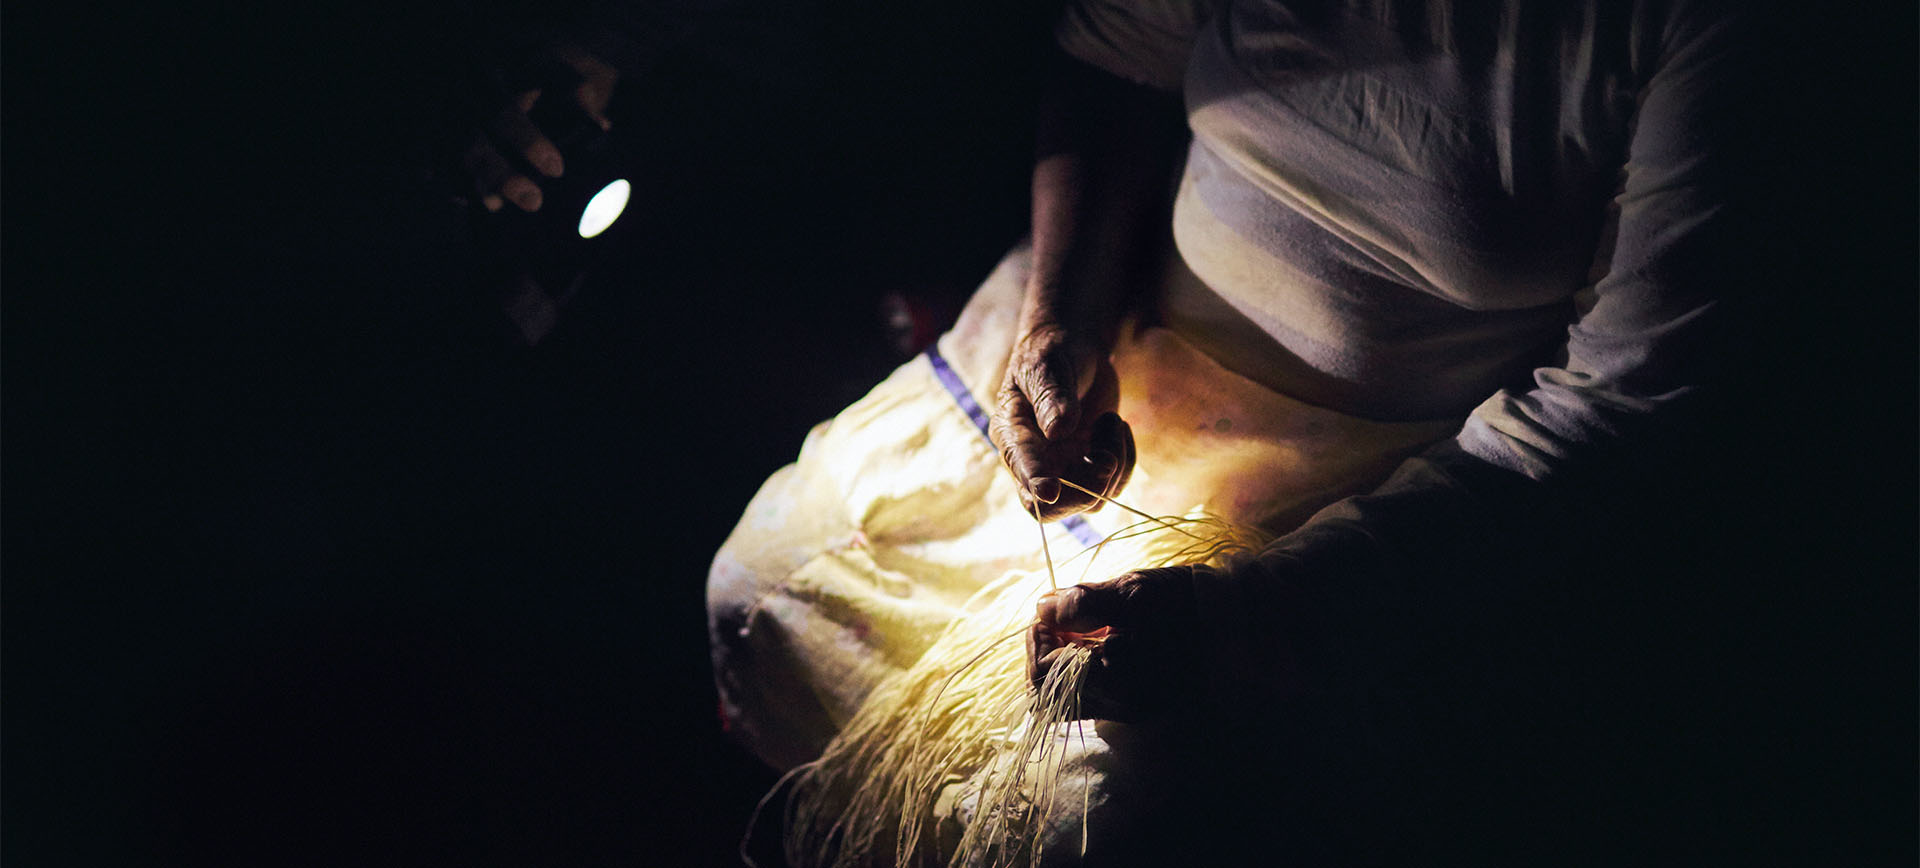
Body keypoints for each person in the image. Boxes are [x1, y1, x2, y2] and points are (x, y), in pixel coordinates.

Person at [710, 0, 1753, 861]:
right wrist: (1061, 319)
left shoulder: (1711, 31)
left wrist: (1246, 617)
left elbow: (1616, 406)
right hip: (1116, 339)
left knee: (1074, 825)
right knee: (764, 595)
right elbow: (1115, 63)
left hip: (1346, 488)